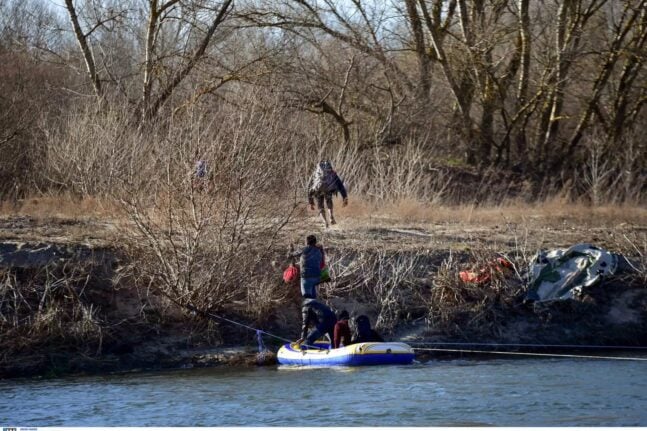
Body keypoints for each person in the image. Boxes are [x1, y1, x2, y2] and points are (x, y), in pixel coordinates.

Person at [307, 160, 348, 228]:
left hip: (318, 191)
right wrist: (345, 197)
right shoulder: (332, 173)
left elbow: (309, 187)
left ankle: (325, 222)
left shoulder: (315, 174)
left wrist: (310, 201)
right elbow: (340, 185)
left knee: (320, 206)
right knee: (329, 201)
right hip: (328, 190)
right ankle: (331, 217)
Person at [288, 234, 324, 299]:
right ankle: (315, 306)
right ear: (315, 242)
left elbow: (291, 255)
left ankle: (319, 307)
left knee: (307, 297)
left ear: (306, 242)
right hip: (317, 276)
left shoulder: (305, 249)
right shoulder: (319, 250)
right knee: (312, 295)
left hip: (306, 276)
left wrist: (290, 249)